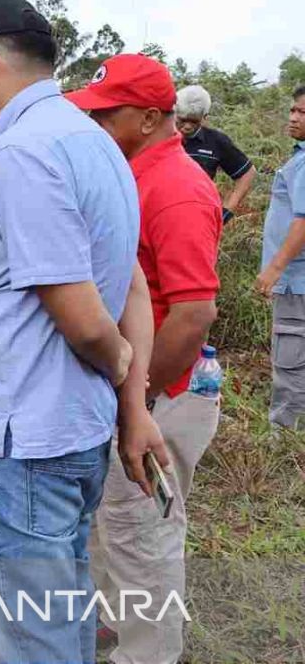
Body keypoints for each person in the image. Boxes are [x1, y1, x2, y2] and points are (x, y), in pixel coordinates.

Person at [0, 0, 167, 664]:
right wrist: (129, 403)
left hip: (23, 447)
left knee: (31, 639)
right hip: (68, 432)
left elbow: (86, 317)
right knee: (58, 615)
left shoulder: (27, 153)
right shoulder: (91, 141)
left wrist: (117, 364)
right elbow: (134, 287)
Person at [68, 54, 222, 664]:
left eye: (109, 114)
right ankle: (121, 632)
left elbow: (193, 311)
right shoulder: (131, 175)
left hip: (160, 396)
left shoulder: (178, 189)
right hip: (133, 393)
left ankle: (152, 653)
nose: (97, 124)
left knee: (142, 531)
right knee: (117, 526)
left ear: (151, 118)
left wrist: (143, 398)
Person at [254, 84, 305, 430]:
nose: (293, 118)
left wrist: (274, 269)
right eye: (292, 110)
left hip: (295, 283)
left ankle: (285, 441)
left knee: (290, 361)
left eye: (302, 113)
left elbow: (302, 222)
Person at [175, 84, 255, 224]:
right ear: (175, 113)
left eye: (194, 121)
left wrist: (226, 211)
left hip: (197, 220)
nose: (187, 126)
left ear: (205, 117)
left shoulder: (216, 141)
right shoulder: (160, 136)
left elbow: (247, 174)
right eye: (182, 120)